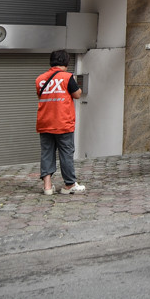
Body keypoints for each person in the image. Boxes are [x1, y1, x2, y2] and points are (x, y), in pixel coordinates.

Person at [36, 49, 84, 195]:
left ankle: (47, 186)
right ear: (66, 62)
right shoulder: (67, 77)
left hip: (44, 121)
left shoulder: (40, 78)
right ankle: (69, 184)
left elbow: (40, 95)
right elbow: (77, 94)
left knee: (47, 153)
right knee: (66, 152)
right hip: (63, 122)